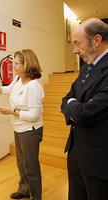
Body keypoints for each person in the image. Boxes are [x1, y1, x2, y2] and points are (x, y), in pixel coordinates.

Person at [0, 49, 44, 200]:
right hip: (18, 127)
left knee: (31, 165)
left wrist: (13, 111)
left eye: (16, 64)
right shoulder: (18, 80)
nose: (13, 67)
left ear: (27, 64)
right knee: (21, 162)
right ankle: (24, 190)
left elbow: (34, 115)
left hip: (30, 130)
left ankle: (36, 196)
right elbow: (7, 89)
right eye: (13, 63)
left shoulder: (34, 86)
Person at [61, 18, 108, 200]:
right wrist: (75, 106)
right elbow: (65, 99)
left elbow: (84, 113)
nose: (74, 50)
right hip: (76, 152)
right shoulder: (86, 67)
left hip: (99, 161)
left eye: (77, 43)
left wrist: (74, 107)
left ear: (96, 40)